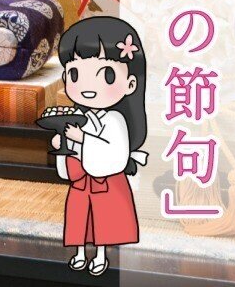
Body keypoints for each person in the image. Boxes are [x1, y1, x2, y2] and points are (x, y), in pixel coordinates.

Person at [52, 16, 148, 276]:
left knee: (104, 224)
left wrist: (82, 140)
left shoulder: (116, 119)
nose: (87, 87)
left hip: (106, 182)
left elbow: (113, 152)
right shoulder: (80, 117)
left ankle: (101, 256)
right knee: (80, 223)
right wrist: (64, 143)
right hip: (82, 183)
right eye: (75, 74)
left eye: (105, 74)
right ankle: (82, 253)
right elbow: (72, 152)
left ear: (130, 83)